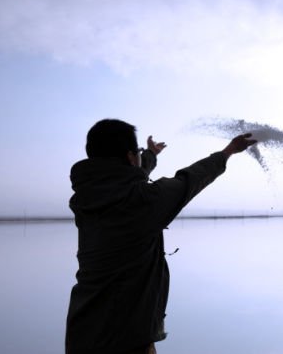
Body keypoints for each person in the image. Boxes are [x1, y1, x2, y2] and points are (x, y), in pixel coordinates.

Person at [65, 119, 257, 354]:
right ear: (129, 157)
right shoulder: (143, 201)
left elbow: (123, 177)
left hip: (82, 332)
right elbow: (190, 179)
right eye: (136, 153)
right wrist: (228, 152)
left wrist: (149, 155)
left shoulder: (88, 198)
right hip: (126, 340)